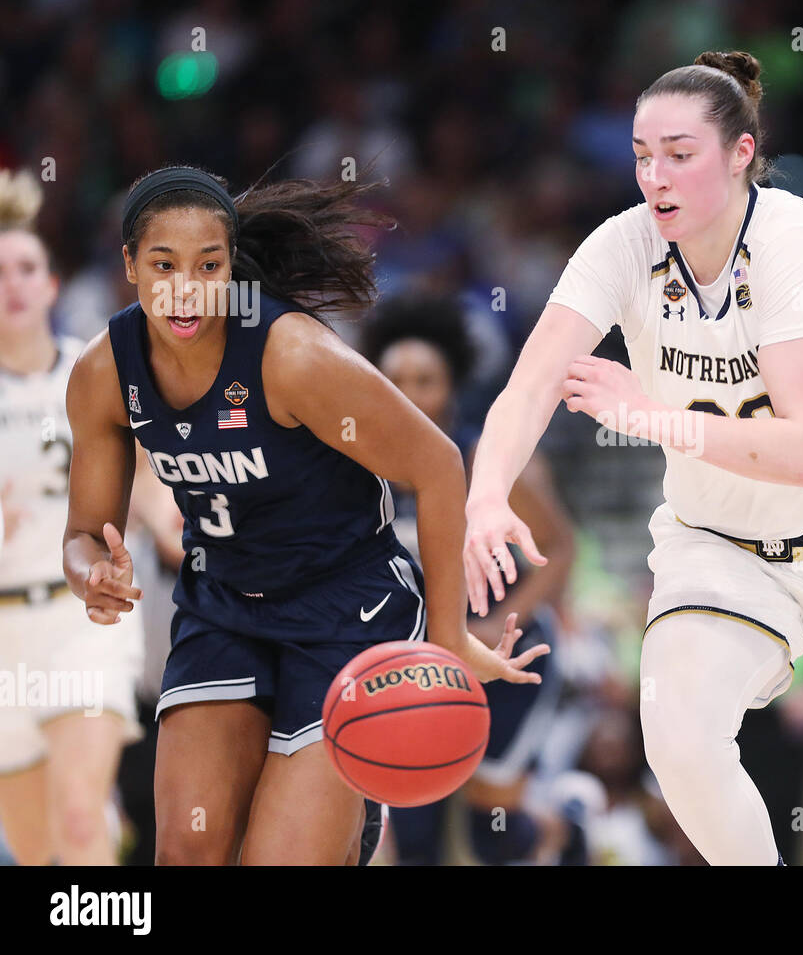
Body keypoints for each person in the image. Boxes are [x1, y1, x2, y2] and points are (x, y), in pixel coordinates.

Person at [462, 51, 803, 865]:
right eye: (640, 155)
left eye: (679, 154)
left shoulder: (798, 246)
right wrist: (486, 499)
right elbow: (528, 388)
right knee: (680, 739)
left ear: (740, 155)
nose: (654, 177)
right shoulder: (622, 245)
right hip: (722, 543)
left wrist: (654, 417)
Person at [62, 164, 546, 866]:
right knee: (190, 850)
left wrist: (443, 645)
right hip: (222, 601)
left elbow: (439, 464)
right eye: (163, 264)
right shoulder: (104, 370)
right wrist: (91, 574)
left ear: (232, 268)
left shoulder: (291, 356)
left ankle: (348, 824)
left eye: (209, 264)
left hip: (346, 607)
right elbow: (83, 534)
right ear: (131, 265)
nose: (186, 287)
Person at [363, 293, 583, 864]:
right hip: (416, 665)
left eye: (426, 378)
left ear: (453, 384)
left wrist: (495, 625)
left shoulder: (486, 456)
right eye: (396, 379)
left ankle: (568, 828)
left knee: (494, 833)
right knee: (413, 832)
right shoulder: (358, 471)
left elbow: (560, 548)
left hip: (504, 654)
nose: (410, 393)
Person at [0, 168, 145, 864]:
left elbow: (148, 485)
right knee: (34, 850)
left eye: (27, 268)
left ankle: (100, 822)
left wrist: (180, 532)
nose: (13, 284)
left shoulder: (90, 375)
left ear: (53, 285)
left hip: (80, 616)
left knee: (80, 822)